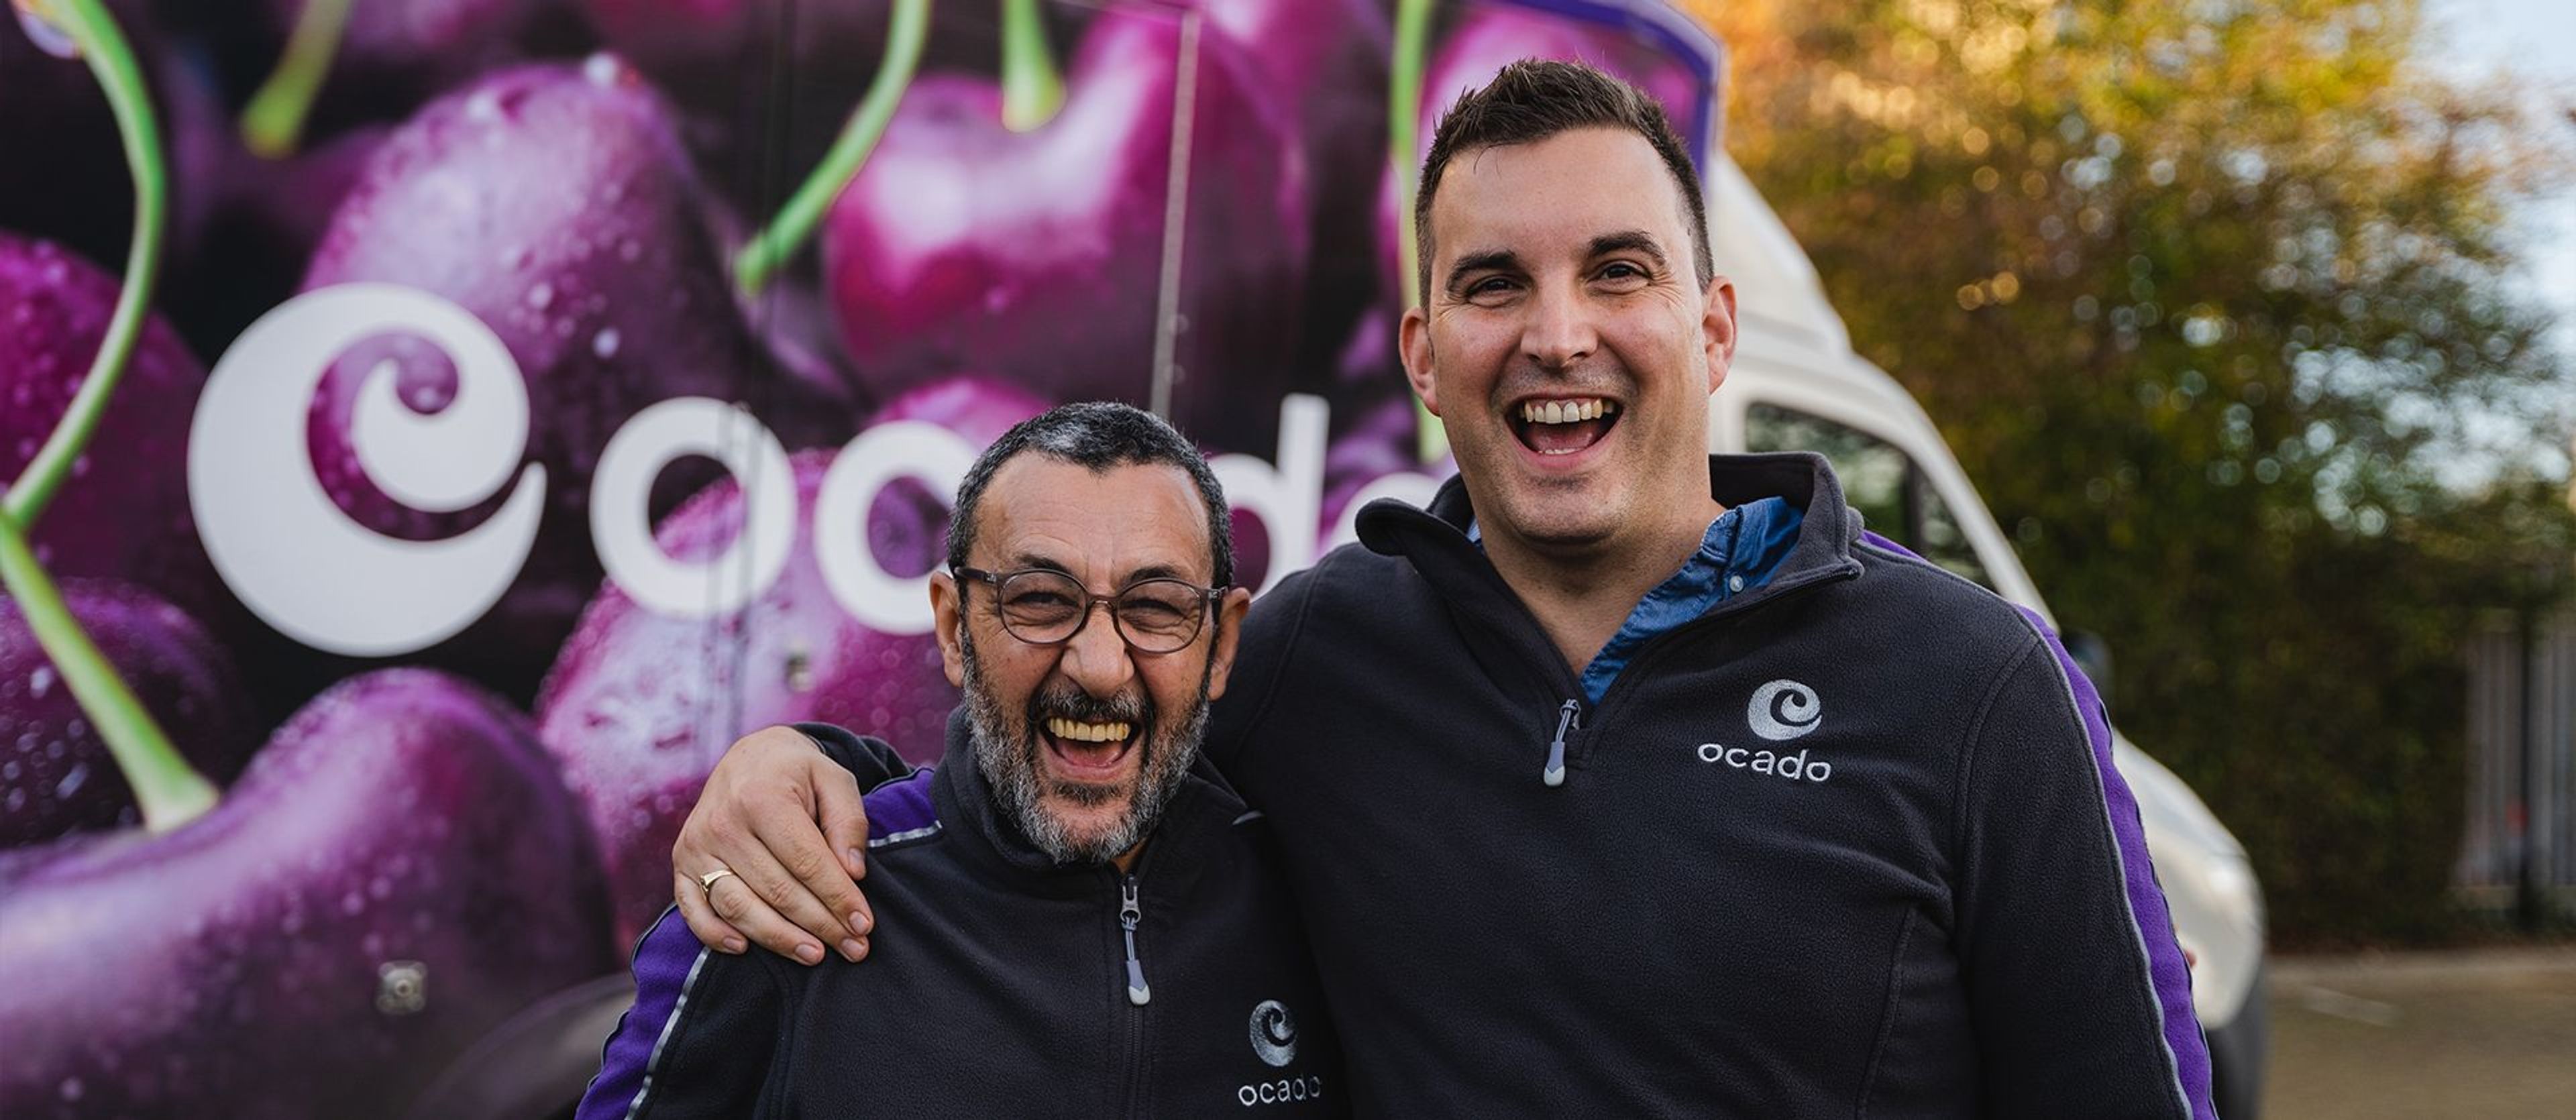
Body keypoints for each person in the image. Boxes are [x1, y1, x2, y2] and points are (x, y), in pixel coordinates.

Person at [671, 62, 2216, 1116]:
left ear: (1713, 327)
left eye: (1616, 271)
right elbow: (1080, 767)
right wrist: (805, 766)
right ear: (1422, 357)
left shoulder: (1979, 688)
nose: (1557, 334)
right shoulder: (1317, 656)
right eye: (1492, 284)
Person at [578, 404, 1345, 1118]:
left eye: (1155, 607)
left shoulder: (1323, 901)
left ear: (1222, 644)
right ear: (954, 627)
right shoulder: (783, 891)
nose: (1101, 664)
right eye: (1041, 599)